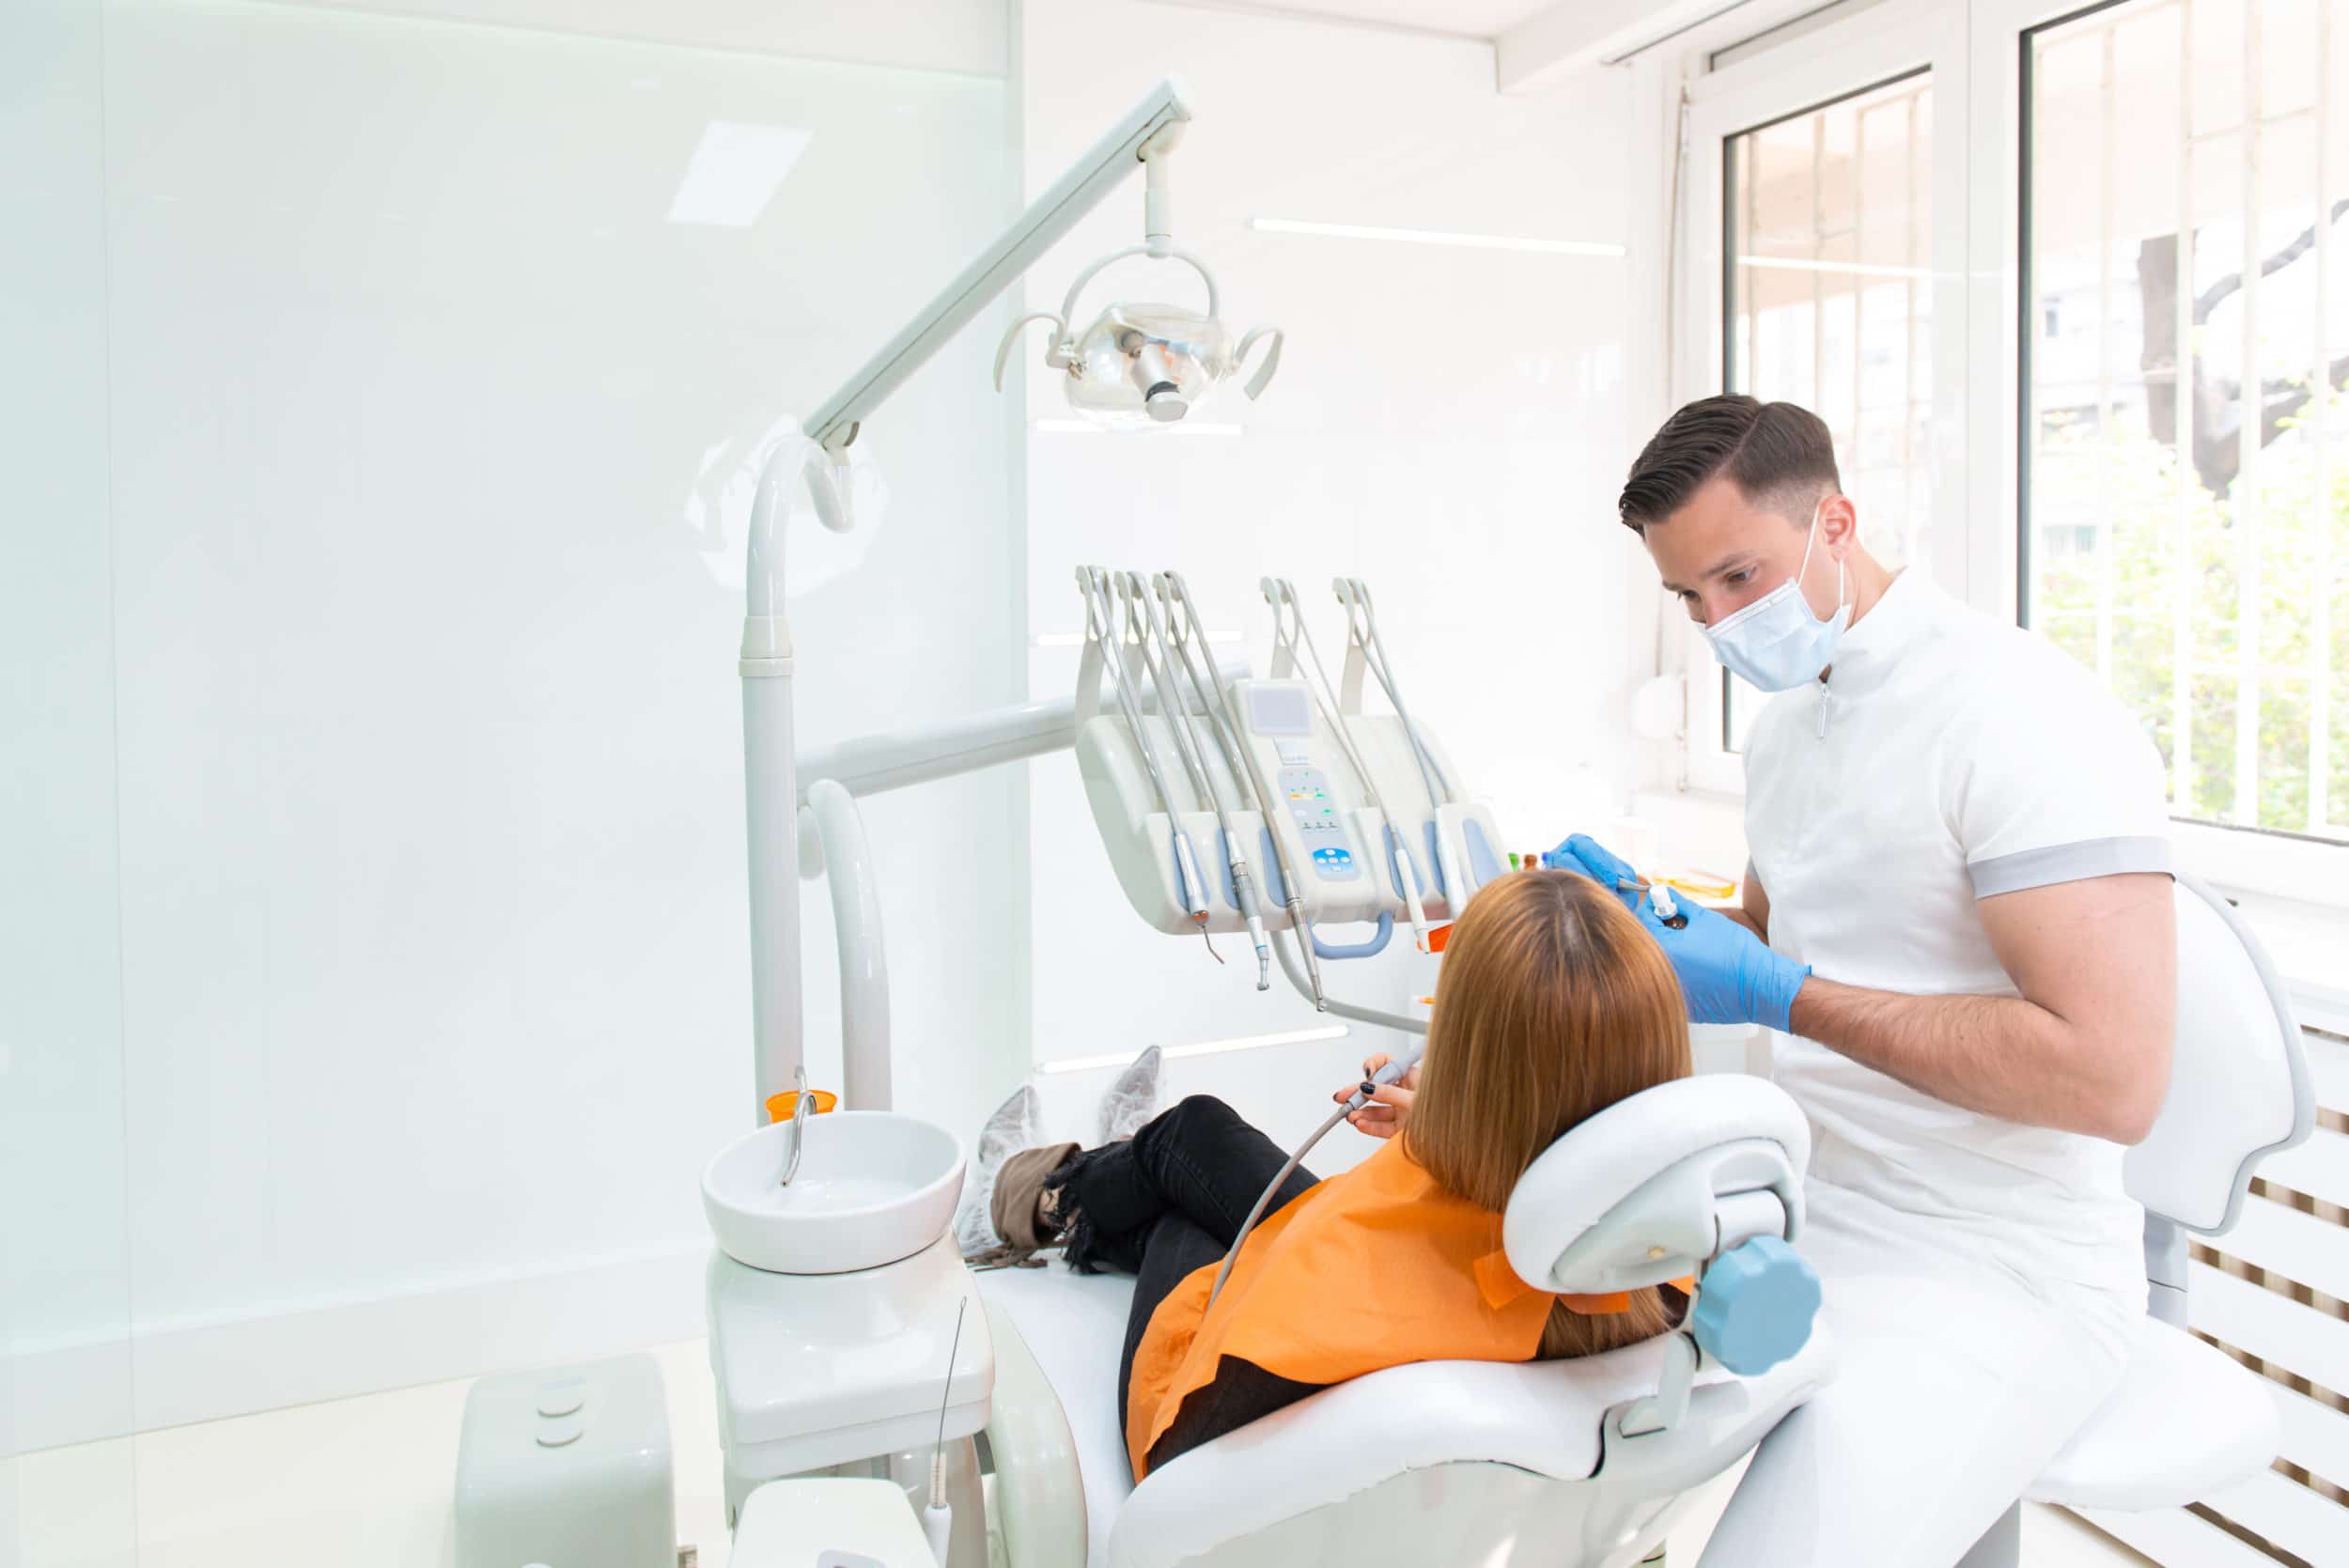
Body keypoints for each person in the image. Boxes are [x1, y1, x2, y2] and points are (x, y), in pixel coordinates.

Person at [1565, 395, 2177, 1566]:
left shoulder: (2021, 713)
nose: (1718, 622)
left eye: (1738, 579)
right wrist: (1640, 932)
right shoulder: (1794, 725)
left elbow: (2113, 1077)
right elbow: (1767, 936)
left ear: (1834, 520)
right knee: (1564, 1461)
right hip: (1806, 1212)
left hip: (1997, 1259)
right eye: (1689, 598)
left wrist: (1776, 990)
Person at [959, 871, 1692, 1480]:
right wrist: (1447, 1125)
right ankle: (1104, 1163)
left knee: (1172, 1198)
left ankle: (1041, 1197)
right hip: (1454, 1253)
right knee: (1194, 1131)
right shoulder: (1667, 1267)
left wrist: (1452, 1120)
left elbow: (1194, 1435)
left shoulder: (1337, 1308)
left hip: (1186, 1417)